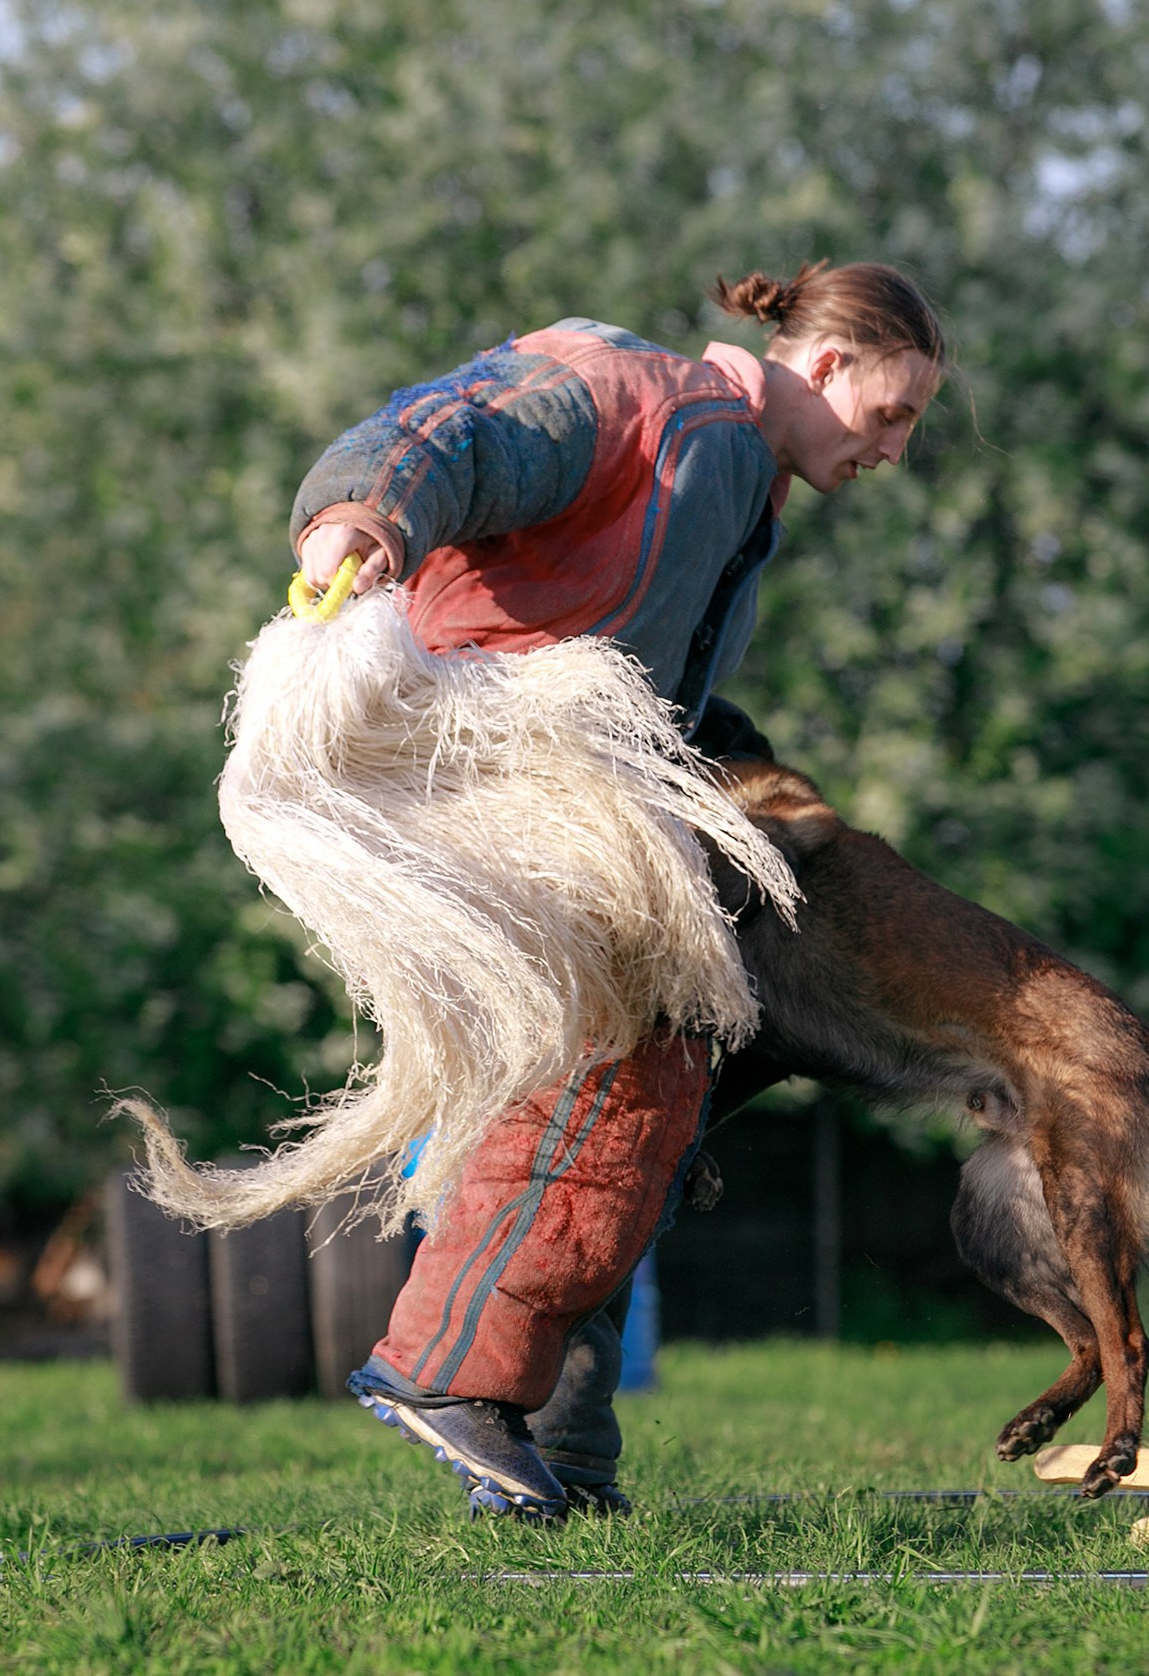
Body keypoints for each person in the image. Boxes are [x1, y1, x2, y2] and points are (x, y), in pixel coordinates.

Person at [288, 260, 948, 1520]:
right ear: (822, 366)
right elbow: (453, 424)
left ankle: (559, 1461)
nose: (896, 450)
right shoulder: (636, 394)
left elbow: (646, 682)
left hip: (567, 800)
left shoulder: (744, 476)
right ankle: (444, 1372)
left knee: (644, 1095)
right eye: (893, 413)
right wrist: (361, 517)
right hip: (479, 778)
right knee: (613, 1084)